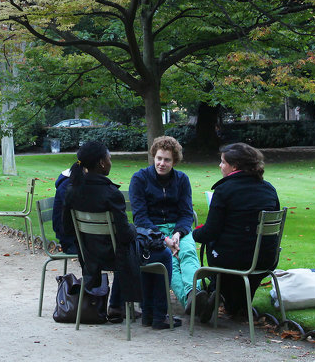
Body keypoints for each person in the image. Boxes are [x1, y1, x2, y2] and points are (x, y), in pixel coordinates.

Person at [191, 143, 280, 323]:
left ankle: (220, 295)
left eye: (223, 162)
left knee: (222, 254)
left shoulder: (224, 190)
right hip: (266, 258)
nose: (220, 166)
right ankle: (235, 304)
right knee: (240, 252)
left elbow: (210, 231)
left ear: (235, 166)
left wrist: (194, 235)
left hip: (233, 260)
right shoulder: (268, 188)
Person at [62, 141, 142, 325]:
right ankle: (154, 309)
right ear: (102, 163)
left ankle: (118, 305)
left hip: (89, 255)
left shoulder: (72, 189)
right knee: (150, 250)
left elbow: (67, 228)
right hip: (113, 256)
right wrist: (135, 230)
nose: (111, 162)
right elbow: (124, 234)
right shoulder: (111, 193)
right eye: (109, 158)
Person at [128, 136, 202, 327]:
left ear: (174, 161)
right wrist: (164, 239)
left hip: (178, 229)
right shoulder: (140, 178)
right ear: (153, 156)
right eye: (159, 158)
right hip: (152, 231)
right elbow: (140, 218)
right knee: (171, 261)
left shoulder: (182, 180)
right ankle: (192, 303)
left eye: (167, 160)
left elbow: (186, 214)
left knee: (187, 252)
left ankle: (196, 294)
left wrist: (178, 234)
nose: (162, 163)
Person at [50, 166, 78, 254]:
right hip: (70, 240)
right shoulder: (67, 184)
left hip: (79, 235)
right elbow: (77, 207)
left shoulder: (76, 179)